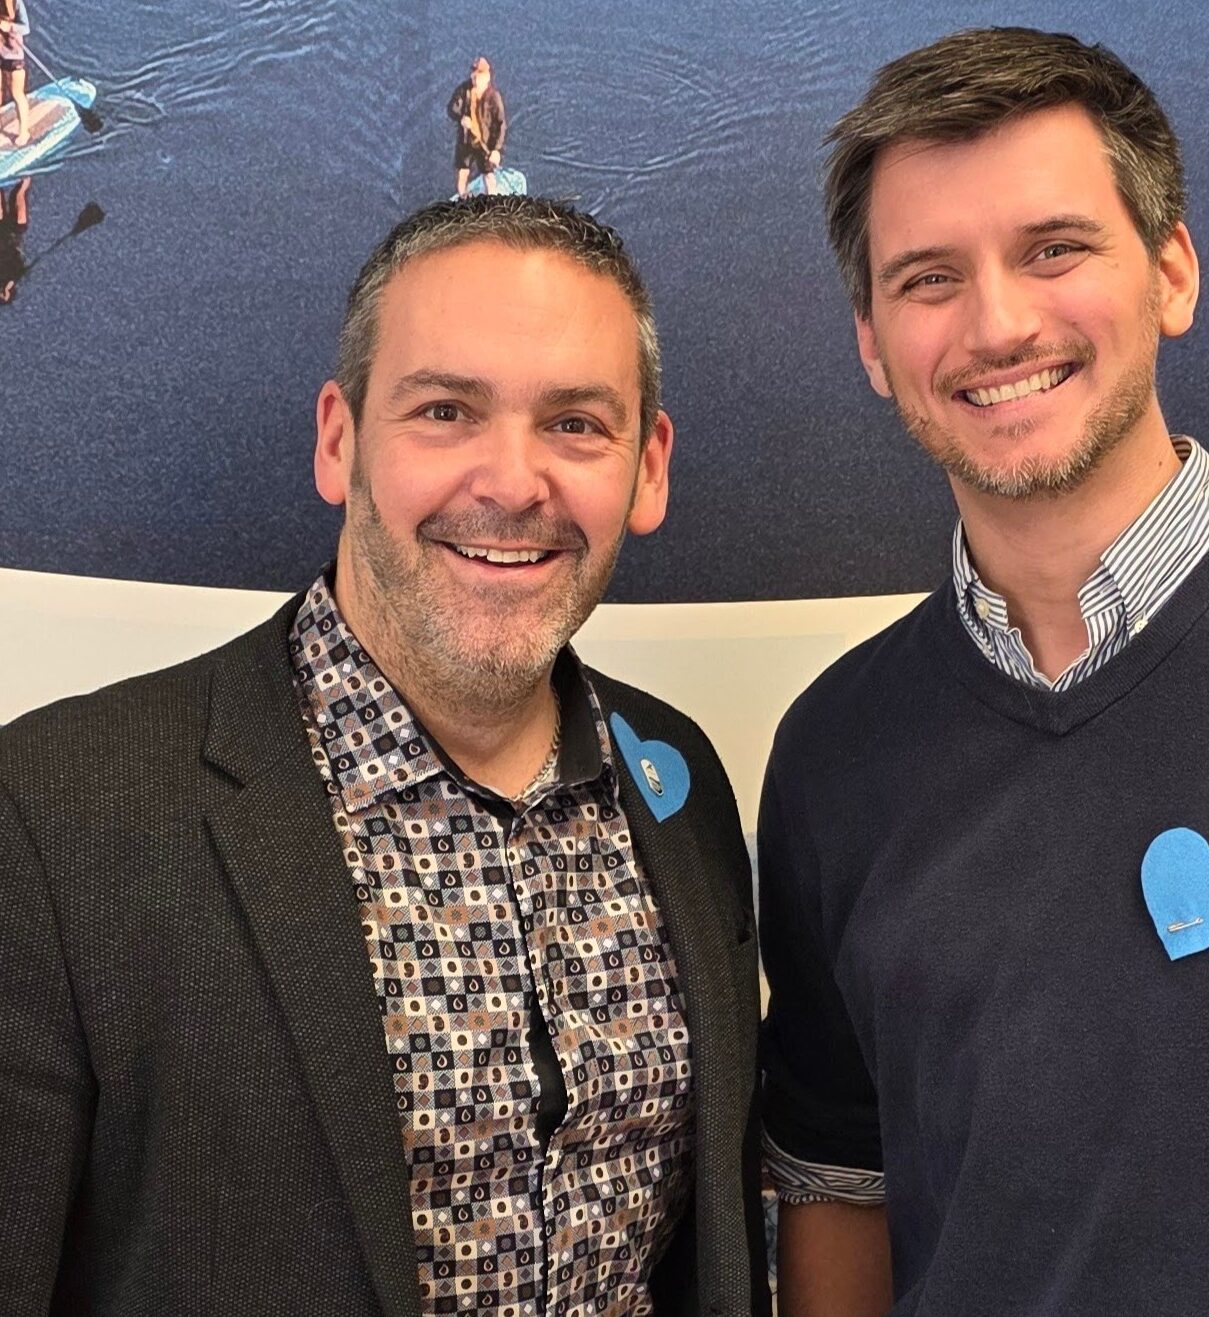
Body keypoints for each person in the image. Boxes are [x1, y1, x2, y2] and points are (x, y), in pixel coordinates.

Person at [759, 26, 1209, 1317]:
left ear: (1171, 273)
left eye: (1054, 250)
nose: (999, 323)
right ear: (872, 344)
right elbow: (840, 1183)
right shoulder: (833, 753)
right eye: (928, 278)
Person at [0, 195, 769, 1316]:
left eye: (574, 424)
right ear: (339, 439)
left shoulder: (677, 785)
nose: (512, 482)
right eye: (446, 411)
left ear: (647, 467)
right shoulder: (54, 814)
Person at [448, 57, 506, 198]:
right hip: (466, 141)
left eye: (478, 75)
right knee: (462, 172)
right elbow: (451, 108)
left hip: (485, 143)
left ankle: (492, 202)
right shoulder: (464, 91)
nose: (474, 78)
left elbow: (501, 124)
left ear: (487, 77)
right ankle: (463, 199)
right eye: (473, 75)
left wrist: (496, 150)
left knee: (489, 175)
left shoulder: (494, 97)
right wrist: (461, 118)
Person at [0, 0, 31, 147]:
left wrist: (10, 27)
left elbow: (26, 29)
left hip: (14, 55)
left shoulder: (16, 3)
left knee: (17, 93)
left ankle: (24, 132)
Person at [0, 173, 28, 302]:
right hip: (14, 233)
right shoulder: (16, 275)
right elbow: (19, 261)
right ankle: (26, 173)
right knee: (18, 195)